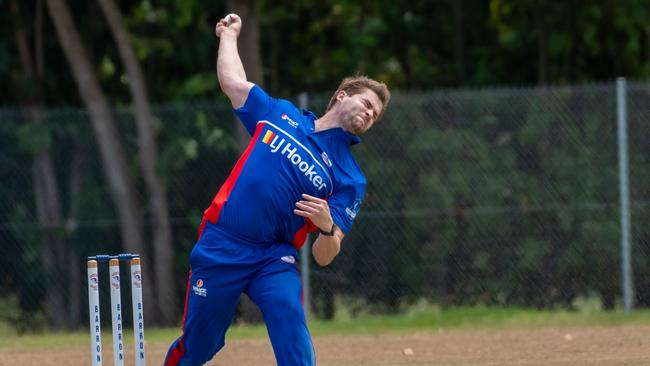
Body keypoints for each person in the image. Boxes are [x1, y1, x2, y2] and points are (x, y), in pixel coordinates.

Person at [164, 13, 390, 366]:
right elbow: (232, 81)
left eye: (374, 114)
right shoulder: (280, 114)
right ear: (341, 96)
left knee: (289, 316)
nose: (369, 113)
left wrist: (328, 226)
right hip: (222, 241)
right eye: (365, 103)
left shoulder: (350, 178)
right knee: (200, 345)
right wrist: (228, 36)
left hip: (273, 256)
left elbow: (324, 256)